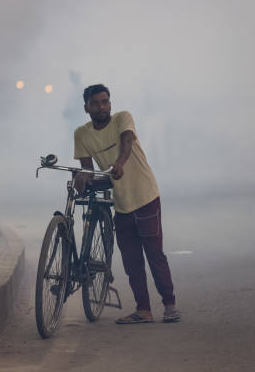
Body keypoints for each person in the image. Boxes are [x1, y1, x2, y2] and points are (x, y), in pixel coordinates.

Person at [73, 84, 180, 324]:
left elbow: (127, 143)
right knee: (131, 261)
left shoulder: (123, 118)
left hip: (145, 197)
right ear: (86, 107)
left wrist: (119, 163)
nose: (101, 107)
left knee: (154, 255)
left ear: (110, 103)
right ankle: (144, 310)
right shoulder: (81, 133)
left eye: (105, 102)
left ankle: (170, 305)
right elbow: (88, 169)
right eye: (95, 103)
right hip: (120, 204)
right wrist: (82, 177)